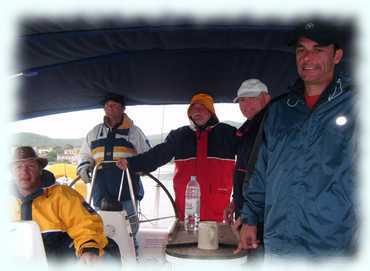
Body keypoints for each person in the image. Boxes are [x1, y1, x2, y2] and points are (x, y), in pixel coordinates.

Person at [235, 20, 356, 258]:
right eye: (301, 50)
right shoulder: (279, 111)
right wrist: (249, 218)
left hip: (334, 247)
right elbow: (261, 170)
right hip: (279, 243)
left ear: (337, 55)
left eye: (318, 50)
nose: (307, 58)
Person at [116, 92, 238, 222]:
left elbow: (247, 163)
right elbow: (158, 155)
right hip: (186, 212)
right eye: (193, 108)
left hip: (220, 213)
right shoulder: (179, 135)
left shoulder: (228, 133)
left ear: (211, 112)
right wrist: (132, 163)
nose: (197, 111)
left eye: (202, 108)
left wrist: (238, 199)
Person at [77, 93, 151, 251]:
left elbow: (147, 155)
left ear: (123, 109)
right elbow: (85, 154)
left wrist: (142, 167)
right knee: (101, 228)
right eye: (106, 106)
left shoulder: (134, 132)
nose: (109, 108)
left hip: (126, 189)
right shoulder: (94, 132)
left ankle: (133, 256)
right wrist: (84, 167)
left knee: (129, 230)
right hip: (100, 190)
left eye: (114, 105)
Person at [11, 146, 108, 264]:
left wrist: (88, 249)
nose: (24, 172)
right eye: (18, 167)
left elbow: (86, 224)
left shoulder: (63, 195)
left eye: (30, 166)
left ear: (40, 169)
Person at [223, 79, 271, 259]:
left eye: (251, 98)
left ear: (266, 98)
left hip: (260, 217)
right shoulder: (248, 130)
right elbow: (245, 172)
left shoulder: (271, 127)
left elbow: (267, 177)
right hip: (246, 211)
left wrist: (250, 218)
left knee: (256, 259)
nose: (245, 104)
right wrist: (235, 201)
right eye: (242, 100)